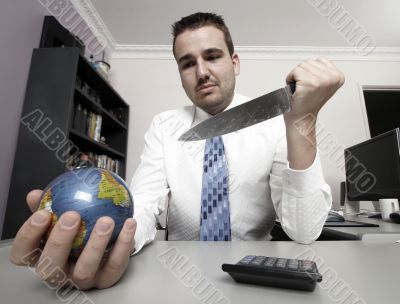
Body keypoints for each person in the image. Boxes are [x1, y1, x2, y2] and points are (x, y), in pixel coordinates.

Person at [10, 12, 344, 290]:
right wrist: (113, 242)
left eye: (212, 56)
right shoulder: (165, 125)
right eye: (187, 63)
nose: (202, 72)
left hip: (253, 275)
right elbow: (142, 203)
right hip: (179, 274)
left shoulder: (275, 123)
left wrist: (304, 121)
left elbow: (304, 231)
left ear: (235, 62)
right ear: (180, 73)